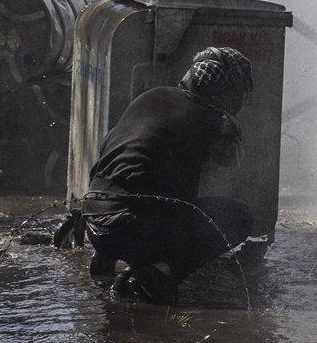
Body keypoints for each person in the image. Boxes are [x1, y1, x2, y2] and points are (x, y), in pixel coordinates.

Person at [79, 46, 255, 303]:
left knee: (146, 200)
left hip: (95, 223)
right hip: (133, 229)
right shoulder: (214, 119)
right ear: (227, 91)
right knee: (238, 216)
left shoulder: (152, 96)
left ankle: (109, 259)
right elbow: (223, 172)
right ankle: (154, 275)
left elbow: (106, 163)